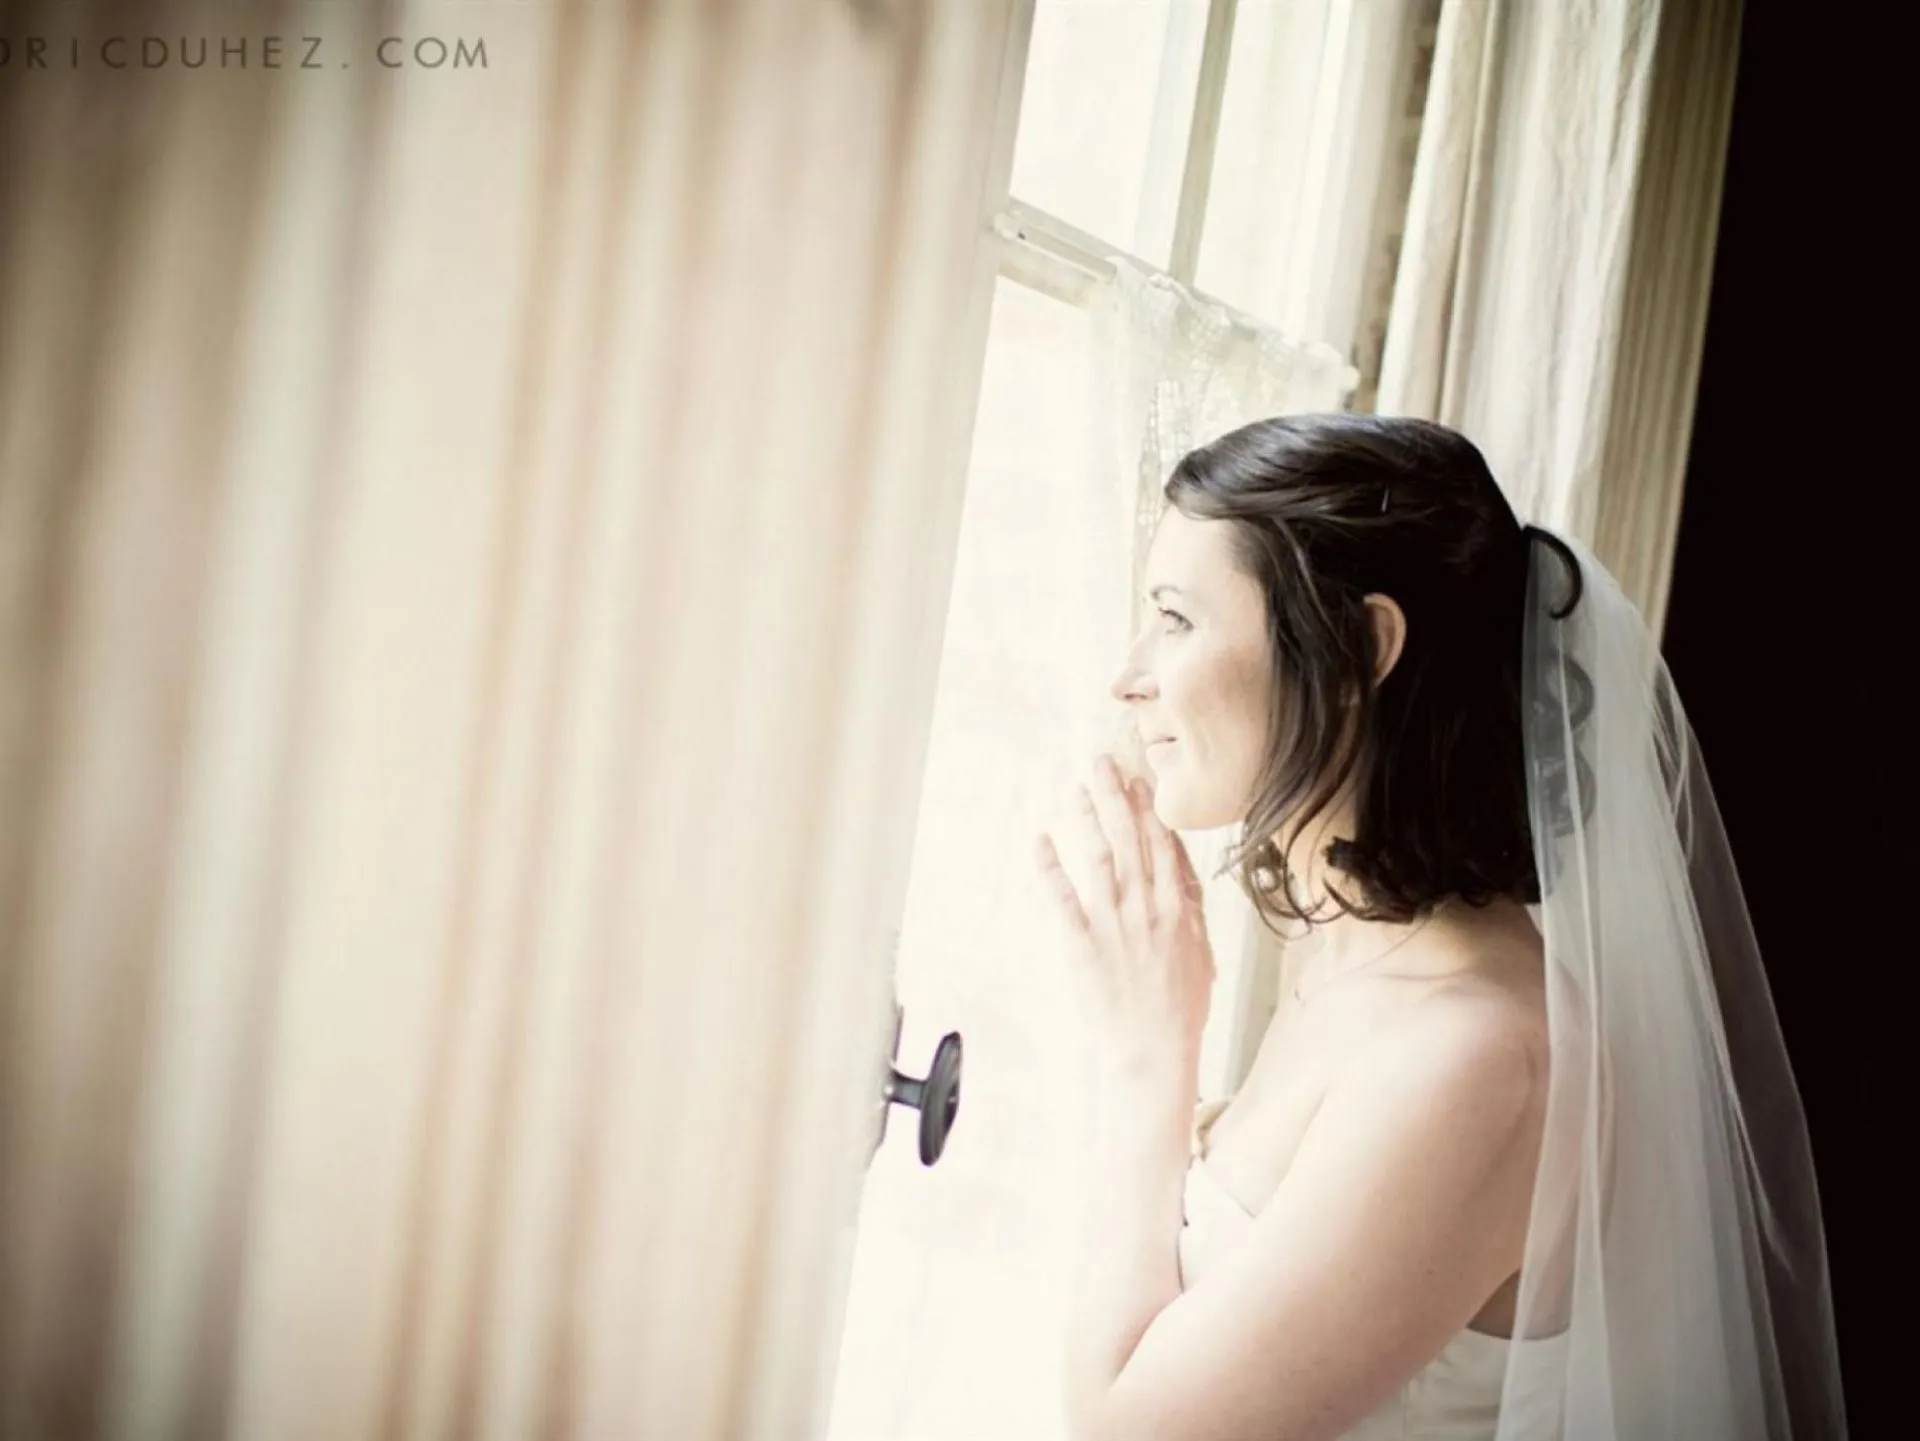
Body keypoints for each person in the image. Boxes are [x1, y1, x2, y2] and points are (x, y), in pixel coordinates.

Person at [1035, 414, 1845, 1440]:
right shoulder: (1344, 951)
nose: (1130, 673)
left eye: (1176, 619)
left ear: (1361, 646)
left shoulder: (1482, 1058)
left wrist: (1149, 1053)